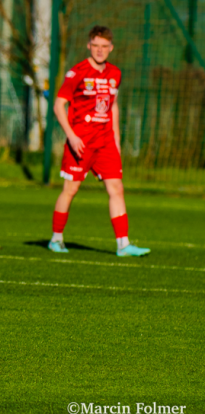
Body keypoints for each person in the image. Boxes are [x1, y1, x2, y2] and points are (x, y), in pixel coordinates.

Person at [48, 26, 150, 257]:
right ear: (89, 45)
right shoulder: (77, 73)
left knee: (117, 189)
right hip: (81, 142)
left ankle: (123, 245)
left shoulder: (115, 73)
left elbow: (112, 105)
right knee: (70, 190)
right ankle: (56, 239)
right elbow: (58, 105)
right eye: (95, 45)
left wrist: (117, 139)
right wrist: (71, 136)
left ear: (111, 47)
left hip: (105, 143)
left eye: (104, 46)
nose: (100, 50)